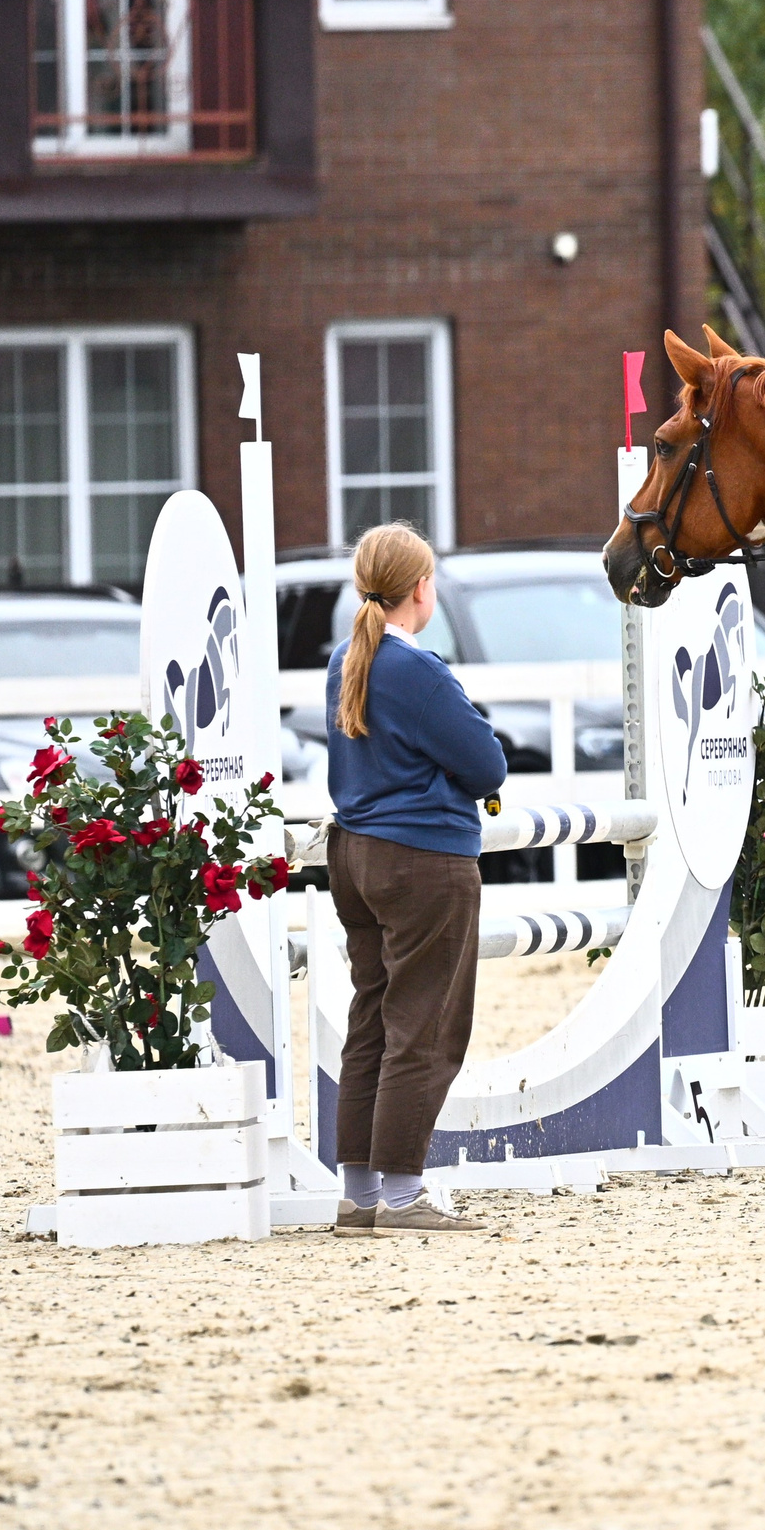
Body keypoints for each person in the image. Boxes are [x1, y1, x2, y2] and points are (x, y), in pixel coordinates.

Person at [323, 523, 509, 1237]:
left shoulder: (346, 658)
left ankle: (359, 1194)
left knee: (371, 1019)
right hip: (423, 857)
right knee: (424, 1024)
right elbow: (487, 763)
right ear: (422, 589)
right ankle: (404, 1196)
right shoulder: (420, 669)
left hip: (355, 854)